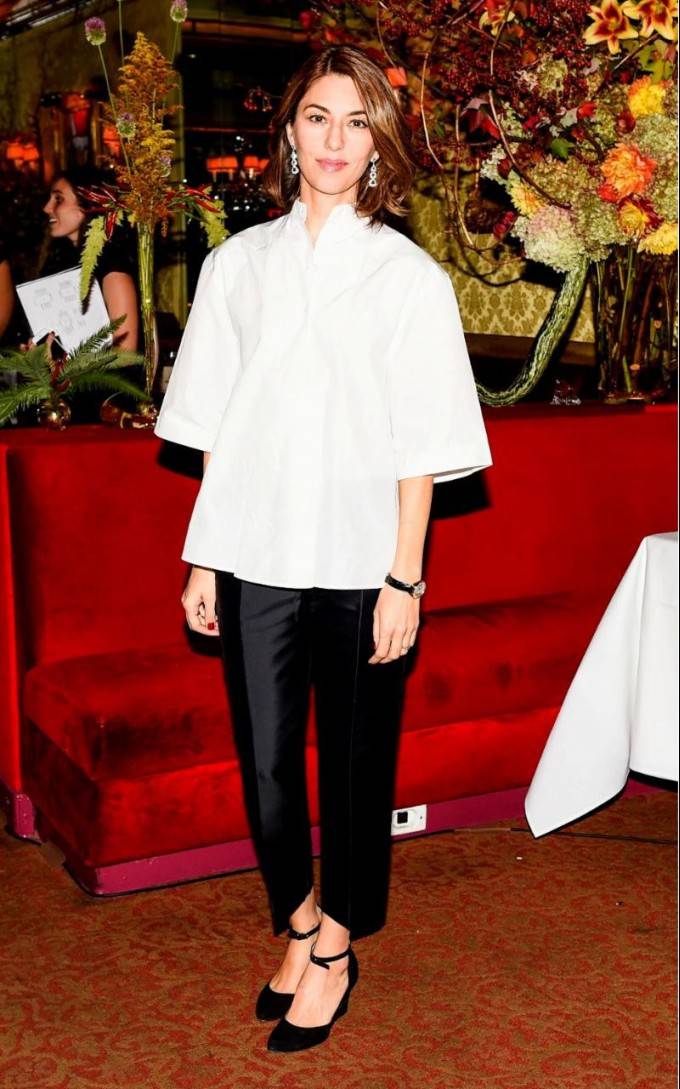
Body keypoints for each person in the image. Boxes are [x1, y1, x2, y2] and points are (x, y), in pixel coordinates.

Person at [154, 44, 493, 1053]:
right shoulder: (236, 266)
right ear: (289, 132)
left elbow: (423, 445)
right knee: (265, 768)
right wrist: (203, 557)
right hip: (255, 550)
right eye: (317, 118)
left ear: (377, 142)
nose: (334, 140)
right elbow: (214, 425)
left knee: (353, 768)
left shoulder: (408, 278)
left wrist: (404, 579)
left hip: (360, 562)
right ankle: (299, 920)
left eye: (355, 122)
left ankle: (337, 946)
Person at [41, 167, 138, 352]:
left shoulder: (113, 268)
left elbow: (125, 354)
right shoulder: (60, 261)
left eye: (59, 199)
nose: (47, 208)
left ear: (86, 205)